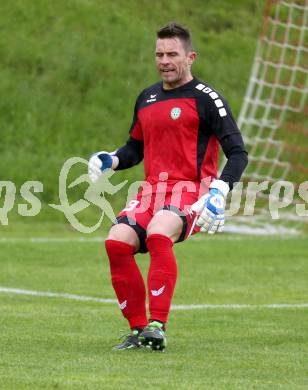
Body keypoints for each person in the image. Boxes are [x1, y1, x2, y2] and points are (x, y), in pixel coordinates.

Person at [88, 22, 248, 351]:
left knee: (160, 233)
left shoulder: (207, 99)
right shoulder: (146, 97)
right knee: (116, 242)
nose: (164, 60)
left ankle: (158, 325)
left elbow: (237, 153)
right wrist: (111, 160)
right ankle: (137, 331)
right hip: (151, 191)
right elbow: (134, 148)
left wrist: (220, 190)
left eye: (172, 54)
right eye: (159, 54)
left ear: (190, 57)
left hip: (192, 189)